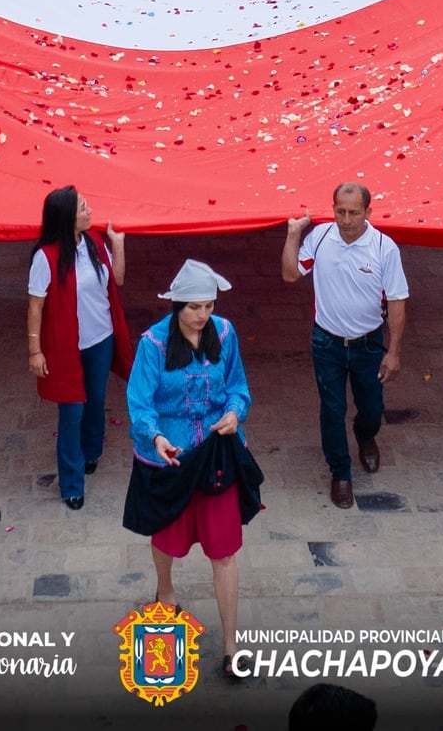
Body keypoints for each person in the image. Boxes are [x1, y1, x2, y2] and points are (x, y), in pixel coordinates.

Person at [124, 260, 259, 681]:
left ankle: (231, 646)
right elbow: (140, 403)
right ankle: (165, 590)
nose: (202, 316)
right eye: (194, 308)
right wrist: (155, 437)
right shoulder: (152, 344)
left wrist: (235, 413)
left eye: (208, 306)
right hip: (172, 458)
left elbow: (238, 387)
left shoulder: (225, 332)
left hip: (217, 455)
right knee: (167, 538)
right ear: (177, 306)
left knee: (224, 551)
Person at [281, 184, 409, 510]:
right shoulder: (321, 237)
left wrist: (393, 352)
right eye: (341, 211)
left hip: (368, 345)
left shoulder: (384, 248)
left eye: (354, 212)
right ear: (333, 208)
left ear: (368, 212)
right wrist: (294, 234)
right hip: (326, 343)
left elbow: (396, 302)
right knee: (331, 409)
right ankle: (340, 472)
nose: (347, 219)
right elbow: (290, 275)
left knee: (371, 407)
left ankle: (366, 435)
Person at [27, 185, 131, 510]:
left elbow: (119, 281)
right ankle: (72, 484)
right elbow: (35, 307)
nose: (90, 212)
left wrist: (119, 245)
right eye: (84, 208)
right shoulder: (45, 258)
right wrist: (35, 350)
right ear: (69, 218)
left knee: (96, 400)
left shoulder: (96, 243)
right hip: (64, 348)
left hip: (101, 339)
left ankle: (91, 452)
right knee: (71, 411)